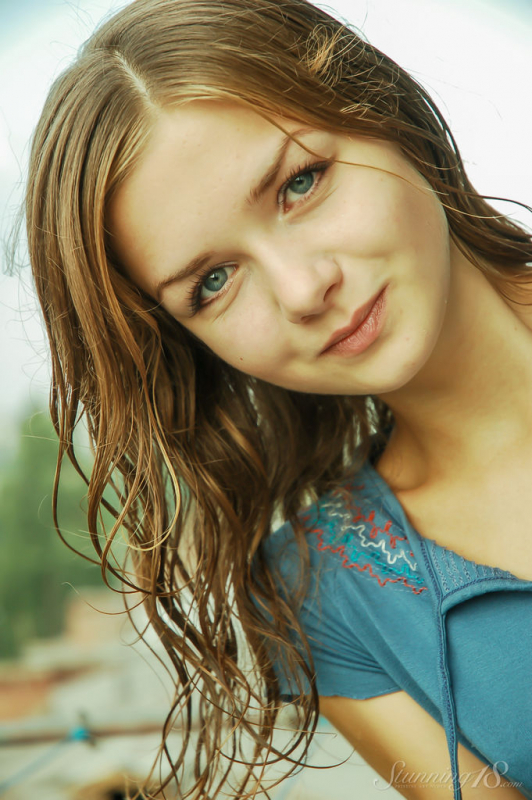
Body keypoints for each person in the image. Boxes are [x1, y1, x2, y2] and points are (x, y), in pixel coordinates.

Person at [24, 0, 532, 798]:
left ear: (384, 112)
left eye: (301, 183)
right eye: (212, 283)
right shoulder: (321, 592)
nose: (303, 288)